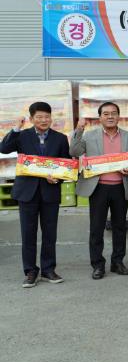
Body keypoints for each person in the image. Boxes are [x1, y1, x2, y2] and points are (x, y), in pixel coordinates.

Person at [1, 102, 70, 288]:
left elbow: (66, 165)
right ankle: (30, 271)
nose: (44, 120)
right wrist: (16, 128)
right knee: (28, 233)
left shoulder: (60, 138)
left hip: (50, 192)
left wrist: (57, 178)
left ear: (51, 118)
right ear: (31, 119)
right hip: (27, 192)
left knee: (50, 234)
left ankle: (48, 269)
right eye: (39, 117)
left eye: (47, 117)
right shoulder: (22, 136)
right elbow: (3, 148)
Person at [71, 102, 128, 280]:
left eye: (113, 113)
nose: (110, 116)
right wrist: (79, 130)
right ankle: (98, 265)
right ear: (100, 117)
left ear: (119, 116)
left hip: (120, 187)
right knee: (96, 228)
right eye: (106, 114)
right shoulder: (89, 136)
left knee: (119, 227)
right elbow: (74, 151)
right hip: (98, 187)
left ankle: (117, 262)